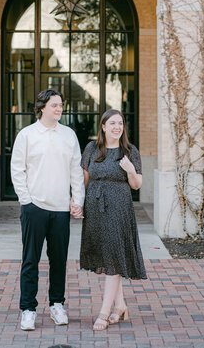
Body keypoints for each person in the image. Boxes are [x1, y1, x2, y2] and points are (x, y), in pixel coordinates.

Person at [11, 88, 85, 332]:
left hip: (61, 210)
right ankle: (28, 310)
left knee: (59, 261)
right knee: (30, 261)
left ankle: (56, 304)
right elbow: (17, 169)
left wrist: (77, 200)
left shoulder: (69, 135)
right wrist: (26, 201)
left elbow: (76, 171)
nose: (59, 109)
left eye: (61, 105)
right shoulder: (27, 135)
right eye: (54, 105)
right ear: (42, 107)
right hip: (35, 208)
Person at [79, 108, 147, 331]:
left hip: (119, 209)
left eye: (120, 123)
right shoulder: (92, 148)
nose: (117, 127)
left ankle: (104, 312)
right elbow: (84, 179)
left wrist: (129, 170)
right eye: (113, 123)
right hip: (96, 208)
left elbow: (137, 185)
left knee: (114, 258)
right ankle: (121, 306)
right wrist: (77, 203)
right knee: (108, 257)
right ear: (103, 126)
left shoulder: (129, 150)